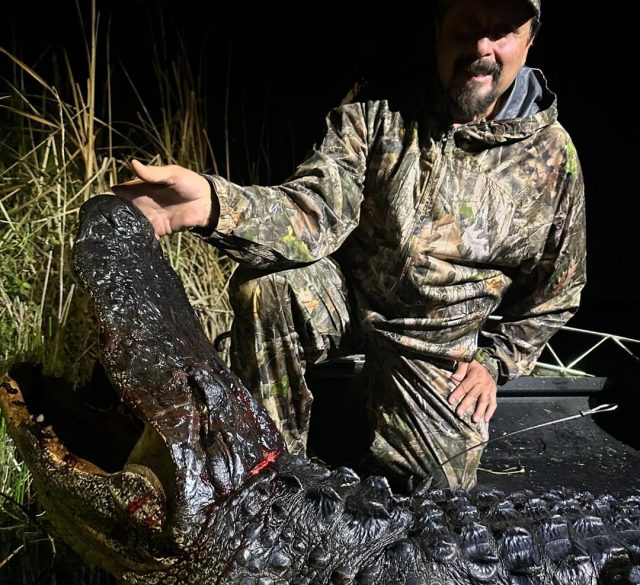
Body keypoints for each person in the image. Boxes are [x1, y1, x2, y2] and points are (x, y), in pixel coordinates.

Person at [111, 0, 586, 493]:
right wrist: (211, 204)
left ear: (529, 39)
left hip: (437, 341)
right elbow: (312, 211)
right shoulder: (377, 108)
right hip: (348, 295)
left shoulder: (553, 158)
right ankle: (269, 485)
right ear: (440, 27)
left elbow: (559, 290)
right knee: (269, 289)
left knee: (437, 500)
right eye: (467, 25)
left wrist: (495, 362)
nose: (481, 47)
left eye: (502, 30)